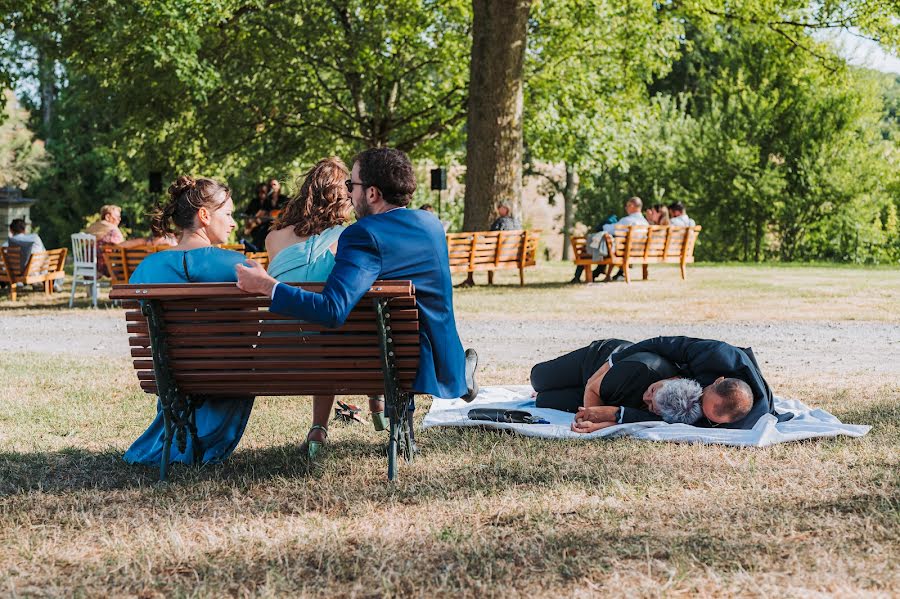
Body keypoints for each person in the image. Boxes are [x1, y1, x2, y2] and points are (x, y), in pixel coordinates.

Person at [235, 148, 479, 450]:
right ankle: (454, 377)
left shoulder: (362, 234)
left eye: (352, 186)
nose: (349, 194)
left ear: (373, 193)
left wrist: (269, 286)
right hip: (431, 358)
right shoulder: (431, 226)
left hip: (382, 360)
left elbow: (333, 310)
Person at [123, 176, 251, 467]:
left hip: (169, 374)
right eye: (228, 214)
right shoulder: (241, 266)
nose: (233, 223)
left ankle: (174, 440)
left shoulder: (146, 269)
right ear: (204, 216)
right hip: (227, 375)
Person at [263, 157, 362, 458]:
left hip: (278, 350)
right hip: (332, 351)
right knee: (338, 327)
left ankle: (319, 427)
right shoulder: (350, 238)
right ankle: (369, 406)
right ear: (343, 197)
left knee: (316, 329)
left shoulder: (273, 239)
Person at [577, 336, 789, 431]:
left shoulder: (745, 423)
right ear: (717, 381)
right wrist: (612, 362)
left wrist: (614, 417)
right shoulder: (717, 355)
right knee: (542, 378)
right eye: (702, 398)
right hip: (644, 368)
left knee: (550, 400)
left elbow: (669, 422)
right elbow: (663, 344)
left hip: (620, 390)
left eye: (706, 415)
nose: (696, 404)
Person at [531, 338, 703, 425]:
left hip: (611, 393)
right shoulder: (637, 370)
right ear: (673, 379)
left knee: (543, 401)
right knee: (538, 379)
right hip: (595, 364)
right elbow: (591, 386)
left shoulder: (673, 409)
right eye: (651, 392)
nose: (645, 399)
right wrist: (589, 420)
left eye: (651, 407)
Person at [85, 204, 145, 276]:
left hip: (87, 264)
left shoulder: (92, 228)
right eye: (117, 217)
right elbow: (122, 246)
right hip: (105, 266)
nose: (119, 219)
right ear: (107, 217)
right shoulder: (112, 230)